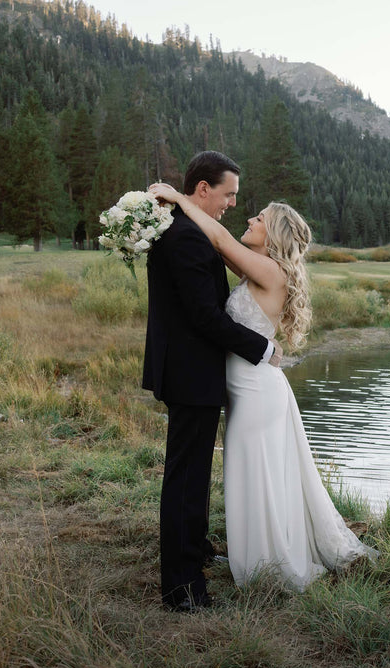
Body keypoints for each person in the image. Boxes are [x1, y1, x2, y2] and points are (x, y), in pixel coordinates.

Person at [148, 182, 377, 590]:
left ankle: (271, 565)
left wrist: (181, 199)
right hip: (246, 385)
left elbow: (217, 237)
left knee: (259, 474)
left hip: (255, 389)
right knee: (253, 472)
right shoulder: (260, 266)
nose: (250, 219)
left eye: (260, 219)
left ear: (273, 235)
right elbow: (215, 247)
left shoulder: (269, 270)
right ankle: (260, 557)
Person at [142, 151, 279, 612]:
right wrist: (263, 349)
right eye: (228, 195)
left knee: (193, 476)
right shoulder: (186, 238)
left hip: (189, 371)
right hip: (190, 373)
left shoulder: (184, 229)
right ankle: (183, 589)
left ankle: (195, 552)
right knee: (186, 479)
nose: (232, 205)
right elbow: (204, 318)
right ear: (203, 190)